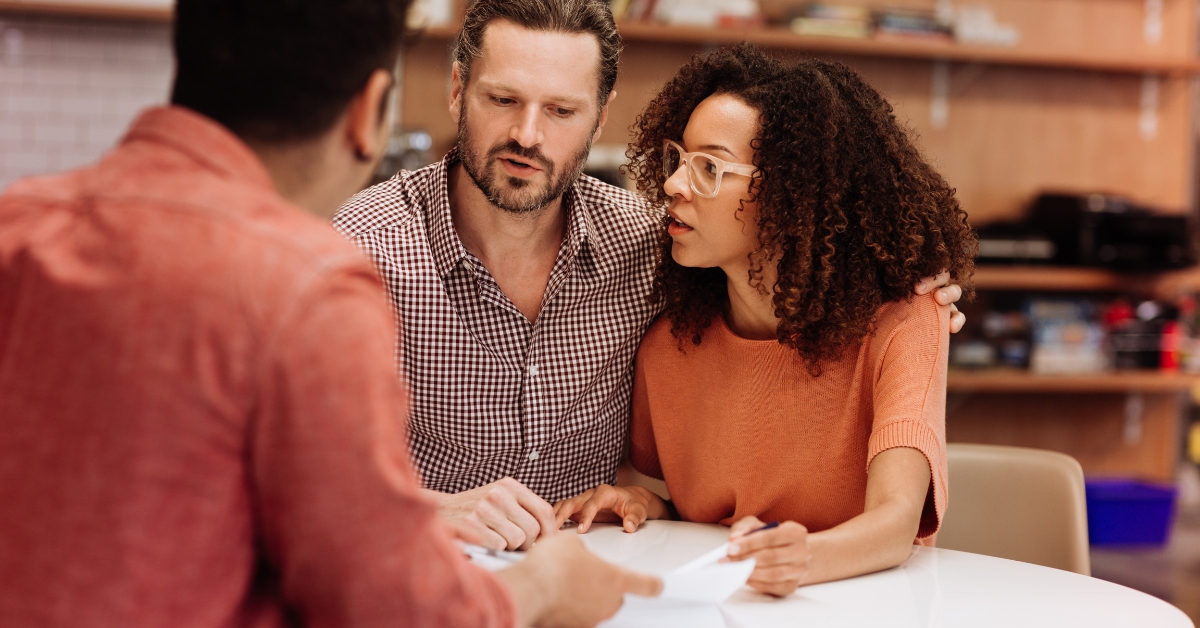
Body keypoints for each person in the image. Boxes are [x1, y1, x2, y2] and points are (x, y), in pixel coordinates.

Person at [0, 0, 659, 626]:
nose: (526, 132)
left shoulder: (18, 224)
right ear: (371, 109)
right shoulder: (307, 284)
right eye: (504, 99)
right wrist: (545, 587)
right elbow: (390, 608)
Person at [334, 0, 968, 552]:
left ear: (601, 117)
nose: (526, 134)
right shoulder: (366, 246)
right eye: (503, 100)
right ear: (456, 89)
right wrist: (429, 510)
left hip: (599, 576)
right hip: (420, 576)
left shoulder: (649, 245)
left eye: (560, 110)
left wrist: (917, 288)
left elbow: (799, 240)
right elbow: (286, 472)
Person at [554, 45, 978, 597]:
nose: (675, 185)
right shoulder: (668, 347)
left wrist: (799, 556)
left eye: (709, 167)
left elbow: (895, 524)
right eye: (678, 159)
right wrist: (646, 503)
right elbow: (701, 511)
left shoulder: (906, 323)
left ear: (790, 194)